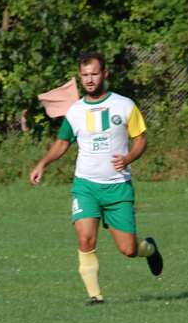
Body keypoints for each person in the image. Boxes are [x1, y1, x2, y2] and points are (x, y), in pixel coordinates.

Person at [30, 51, 163, 304]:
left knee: (128, 249)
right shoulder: (76, 111)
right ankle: (95, 296)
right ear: (80, 78)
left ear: (105, 74)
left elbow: (141, 139)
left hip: (117, 188)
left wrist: (128, 158)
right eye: (85, 75)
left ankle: (150, 249)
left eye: (94, 74)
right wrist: (42, 163)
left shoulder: (124, 105)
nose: (89, 79)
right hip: (86, 186)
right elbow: (62, 143)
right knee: (85, 238)